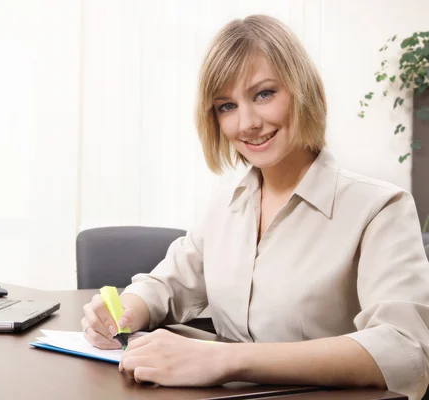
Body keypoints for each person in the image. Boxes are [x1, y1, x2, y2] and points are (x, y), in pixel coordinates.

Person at [80, 14, 429, 400]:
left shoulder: (380, 207)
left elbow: (404, 349)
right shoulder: (227, 204)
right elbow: (168, 283)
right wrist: (122, 312)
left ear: (302, 91)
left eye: (264, 94)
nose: (246, 123)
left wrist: (226, 360)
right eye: (226, 106)